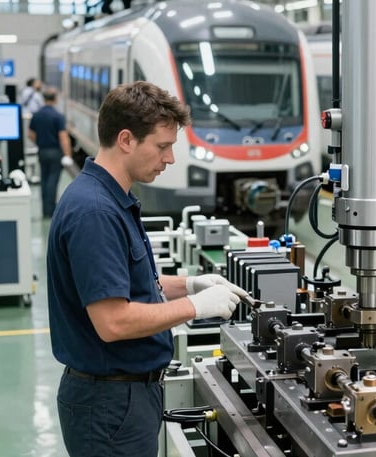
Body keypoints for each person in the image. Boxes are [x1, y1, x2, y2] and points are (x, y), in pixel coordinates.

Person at [47, 81, 251, 457]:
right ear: (126, 139)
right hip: (109, 405)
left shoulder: (111, 197)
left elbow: (131, 283)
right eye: (162, 146)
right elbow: (113, 322)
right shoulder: (96, 212)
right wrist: (196, 307)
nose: (169, 158)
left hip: (124, 396)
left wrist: (190, 284)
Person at [28, 87, 72, 218]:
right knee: (53, 179)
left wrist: (40, 142)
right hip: (55, 152)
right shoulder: (58, 116)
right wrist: (67, 155)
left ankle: (44, 209)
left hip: (42, 151)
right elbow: (63, 138)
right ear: (55, 99)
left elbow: (30, 134)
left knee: (44, 179)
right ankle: (50, 209)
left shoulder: (36, 115)